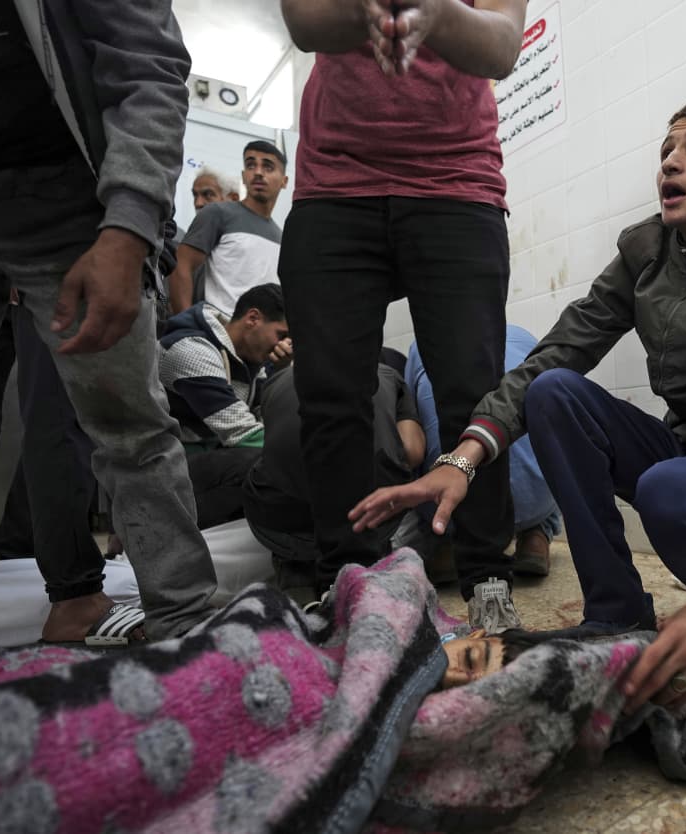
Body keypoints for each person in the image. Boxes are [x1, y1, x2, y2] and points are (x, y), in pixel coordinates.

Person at [351, 97, 686, 711]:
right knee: (554, 392)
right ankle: (616, 613)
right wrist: (461, 460)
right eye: (666, 151)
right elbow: (554, 355)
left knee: (666, 490)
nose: (670, 162)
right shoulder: (646, 252)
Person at [0, 0, 219, 642]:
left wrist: (129, 226)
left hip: (62, 191)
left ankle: (189, 631)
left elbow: (147, 58)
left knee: (127, 425)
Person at [277, 0, 528, 632]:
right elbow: (305, 23)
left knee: (473, 390)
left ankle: (486, 579)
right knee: (331, 395)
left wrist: (435, 12)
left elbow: (501, 46)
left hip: (457, 181)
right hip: (335, 183)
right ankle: (348, 580)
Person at [242, 362, 426, 606]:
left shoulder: (275, 382)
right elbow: (413, 452)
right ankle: (362, 579)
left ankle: (297, 580)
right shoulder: (385, 373)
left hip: (281, 519)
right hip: (363, 515)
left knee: (280, 476)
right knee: (385, 484)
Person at [405, 324, 562, 576]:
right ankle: (536, 536)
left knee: (414, 434)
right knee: (550, 440)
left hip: (448, 504)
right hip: (536, 498)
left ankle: (445, 541)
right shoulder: (524, 338)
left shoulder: (420, 345)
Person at [159, 283, 291, 529]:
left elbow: (272, 423)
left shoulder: (253, 364)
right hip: (165, 470)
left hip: (202, 463)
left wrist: (281, 373)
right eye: (281, 335)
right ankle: (162, 528)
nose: (282, 345)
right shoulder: (192, 349)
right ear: (253, 318)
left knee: (274, 462)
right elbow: (243, 433)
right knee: (263, 465)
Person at [167, 141, 288, 316]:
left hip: (261, 339)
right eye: (251, 165)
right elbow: (181, 266)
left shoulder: (281, 237)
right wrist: (185, 327)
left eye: (268, 167)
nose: (258, 172)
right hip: (216, 335)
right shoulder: (217, 213)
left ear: (284, 181)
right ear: (244, 175)